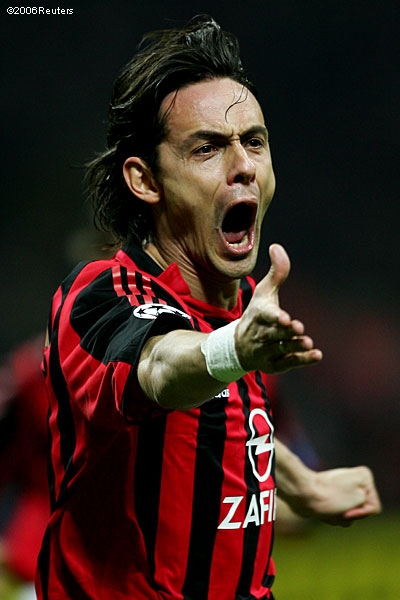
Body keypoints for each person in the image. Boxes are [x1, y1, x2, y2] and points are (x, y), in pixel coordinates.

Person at [35, 16, 381, 600]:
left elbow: (217, 420)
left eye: (254, 141)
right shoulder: (99, 296)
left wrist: (301, 484)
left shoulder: (242, 307)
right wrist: (234, 349)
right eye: (208, 148)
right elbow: (160, 369)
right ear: (146, 180)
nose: (243, 164)